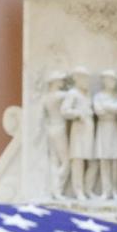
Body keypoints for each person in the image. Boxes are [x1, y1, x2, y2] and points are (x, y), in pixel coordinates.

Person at [62, 67, 97, 201]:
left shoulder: (87, 94)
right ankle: (78, 191)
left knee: (93, 162)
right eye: (85, 78)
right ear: (78, 79)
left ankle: (88, 189)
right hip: (78, 130)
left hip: (89, 129)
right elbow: (64, 110)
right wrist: (77, 114)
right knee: (78, 161)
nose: (87, 81)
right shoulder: (73, 93)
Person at [92, 69, 117, 199]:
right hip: (103, 127)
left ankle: (115, 190)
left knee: (114, 160)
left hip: (114, 127)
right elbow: (98, 111)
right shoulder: (98, 96)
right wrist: (112, 107)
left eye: (113, 80)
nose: (112, 82)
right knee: (104, 160)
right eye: (109, 80)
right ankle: (106, 191)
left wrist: (108, 107)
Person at [43, 71, 70, 199]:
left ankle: (53, 189)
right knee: (66, 161)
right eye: (60, 80)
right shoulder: (60, 95)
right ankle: (57, 189)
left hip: (50, 128)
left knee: (54, 160)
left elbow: (42, 117)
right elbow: (73, 94)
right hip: (59, 128)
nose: (62, 82)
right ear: (54, 82)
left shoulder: (46, 97)